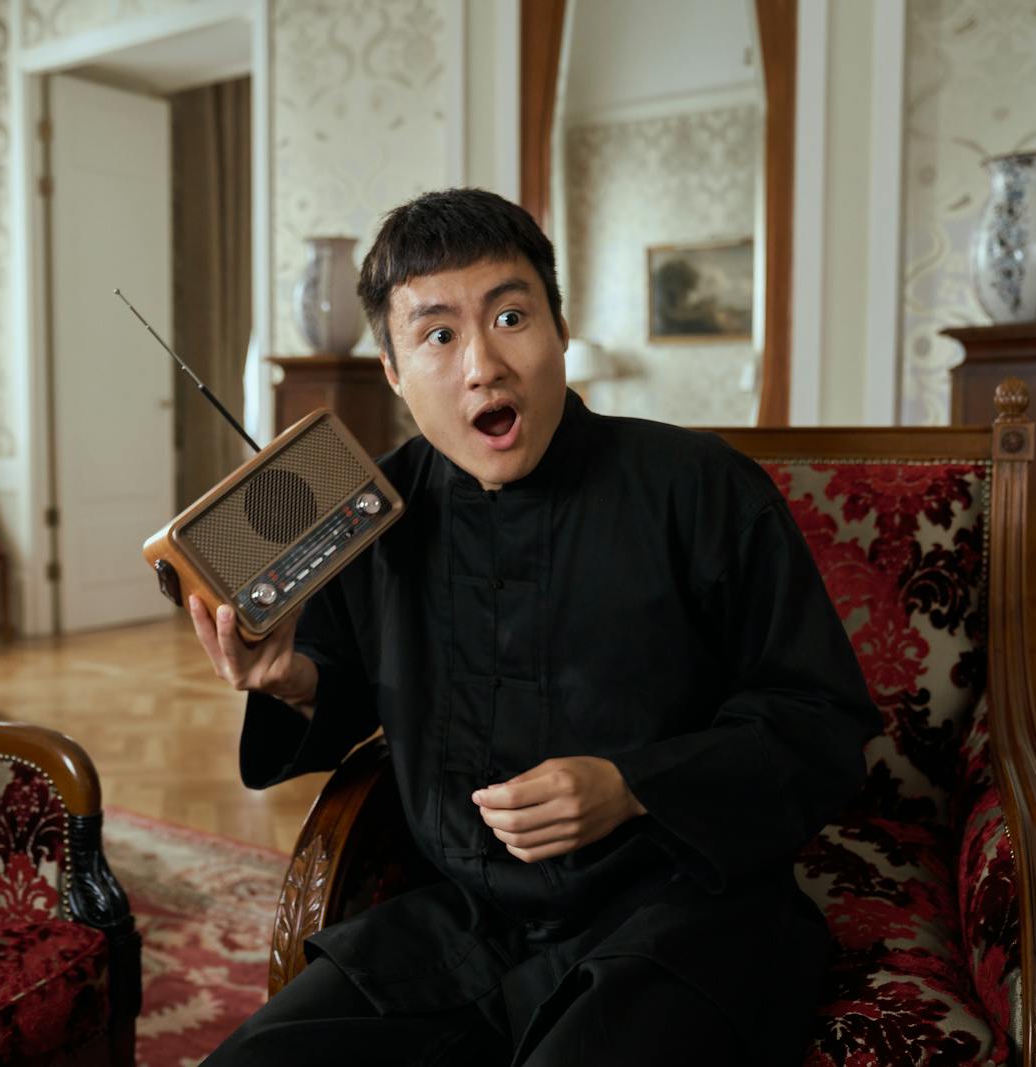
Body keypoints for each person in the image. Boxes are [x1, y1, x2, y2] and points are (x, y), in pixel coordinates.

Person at [190, 188, 880, 1066]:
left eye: (511, 315)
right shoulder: (372, 510)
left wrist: (632, 784)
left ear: (560, 326)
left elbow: (820, 723)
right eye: (438, 334)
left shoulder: (701, 487)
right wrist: (292, 681)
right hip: (464, 923)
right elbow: (351, 682)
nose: (483, 364)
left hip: (682, 913)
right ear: (394, 371)